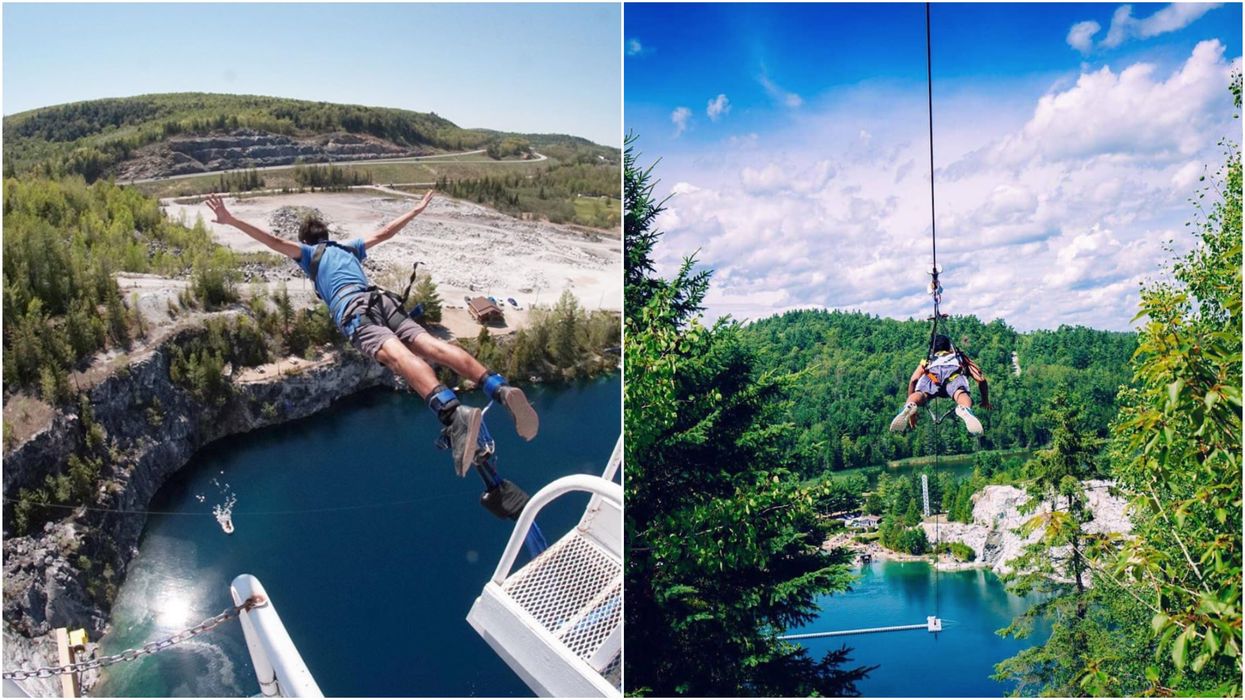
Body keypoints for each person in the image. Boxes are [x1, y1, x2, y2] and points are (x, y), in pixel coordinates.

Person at [204, 191, 537, 476]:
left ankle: (453, 414)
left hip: (355, 311)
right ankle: (499, 388)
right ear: (327, 234)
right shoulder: (348, 249)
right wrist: (416, 210)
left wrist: (231, 220)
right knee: (432, 345)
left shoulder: (308, 255)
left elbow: (274, 242)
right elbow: (387, 231)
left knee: (398, 357)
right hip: (382, 300)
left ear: (306, 241)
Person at [889, 334, 990, 435]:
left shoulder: (928, 360)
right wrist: (985, 401)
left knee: (922, 394)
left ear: (933, 349)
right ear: (949, 347)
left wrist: (912, 413)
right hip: (953, 375)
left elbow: (914, 380)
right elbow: (981, 379)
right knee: (960, 393)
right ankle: (965, 408)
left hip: (932, 376)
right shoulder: (960, 358)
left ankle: (909, 405)